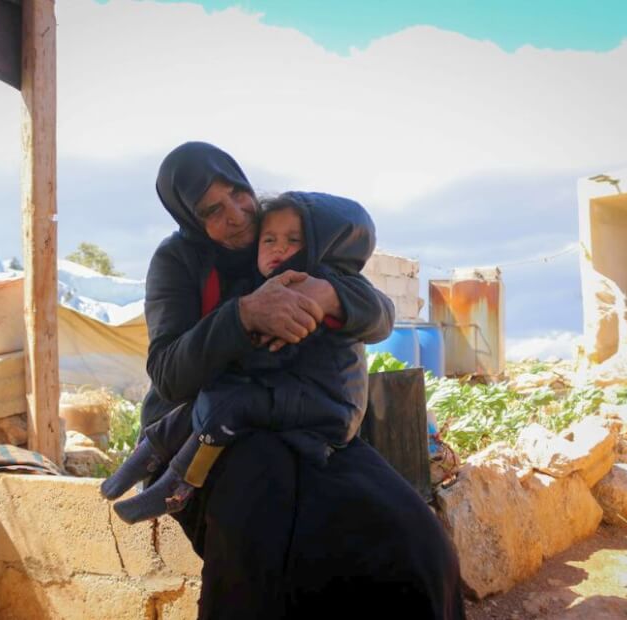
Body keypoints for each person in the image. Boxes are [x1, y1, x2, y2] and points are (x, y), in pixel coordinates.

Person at [118, 141, 464, 619]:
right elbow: (169, 372)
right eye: (212, 210)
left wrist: (330, 297)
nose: (237, 214)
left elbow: (381, 315)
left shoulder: (285, 231)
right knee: (263, 542)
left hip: (306, 423)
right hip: (206, 435)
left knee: (414, 541)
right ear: (191, 219)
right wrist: (242, 316)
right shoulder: (177, 262)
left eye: (238, 193)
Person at [103, 192, 375, 524]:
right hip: (283, 389)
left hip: (324, 403)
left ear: (316, 244)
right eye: (269, 239)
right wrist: (241, 324)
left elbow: (277, 353)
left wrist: (243, 346)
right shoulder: (223, 274)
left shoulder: (310, 284)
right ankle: (148, 454)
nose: (278, 248)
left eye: (293, 240)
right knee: (205, 403)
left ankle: (177, 486)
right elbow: (175, 367)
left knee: (226, 404)